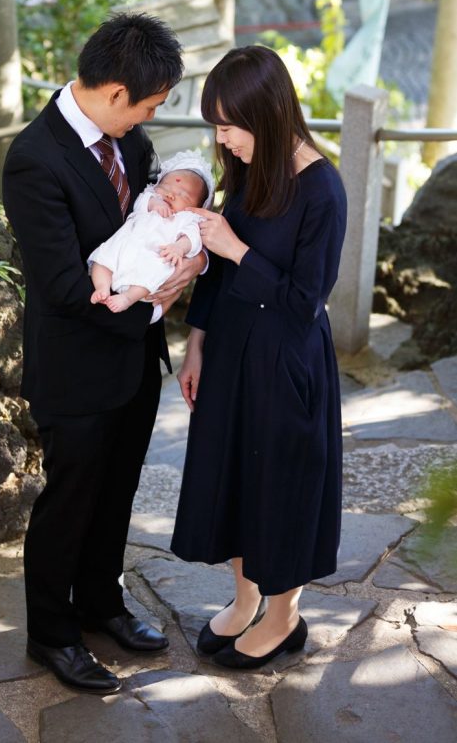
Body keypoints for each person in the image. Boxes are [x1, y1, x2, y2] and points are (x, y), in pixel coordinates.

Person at [2, 12, 208, 695]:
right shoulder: (35, 158)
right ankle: (50, 634)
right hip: (75, 364)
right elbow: (63, 287)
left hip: (132, 357)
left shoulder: (130, 140)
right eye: (149, 104)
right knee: (69, 501)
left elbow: (154, 220)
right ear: (116, 91)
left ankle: (101, 604)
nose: (150, 118)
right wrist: (163, 298)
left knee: (115, 491)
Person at [170, 44, 347, 670]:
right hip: (232, 351)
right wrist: (196, 344)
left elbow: (304, 303)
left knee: (281, 485)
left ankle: (283, 614)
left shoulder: (322, 188)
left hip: (285, 362)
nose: (222, 139)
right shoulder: (248, 170)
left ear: (266, 114)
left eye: (228, 125)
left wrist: (236, 246)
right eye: (215, 125)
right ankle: (246, 599)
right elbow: (214, 277)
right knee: (234, 479)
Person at [88, 150, 214, 313]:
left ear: (196, 207)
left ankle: (128, 297)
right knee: (102, 258)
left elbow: (192, 238)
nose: (171, 194)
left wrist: (179, 247)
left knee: (154, 273)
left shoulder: (187, 218)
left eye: (183, 195)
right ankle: (102, 287)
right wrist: (154, 202)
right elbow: (141, 201)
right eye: (166, 186)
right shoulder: (150, 200)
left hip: (152, 256)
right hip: (123, 246)